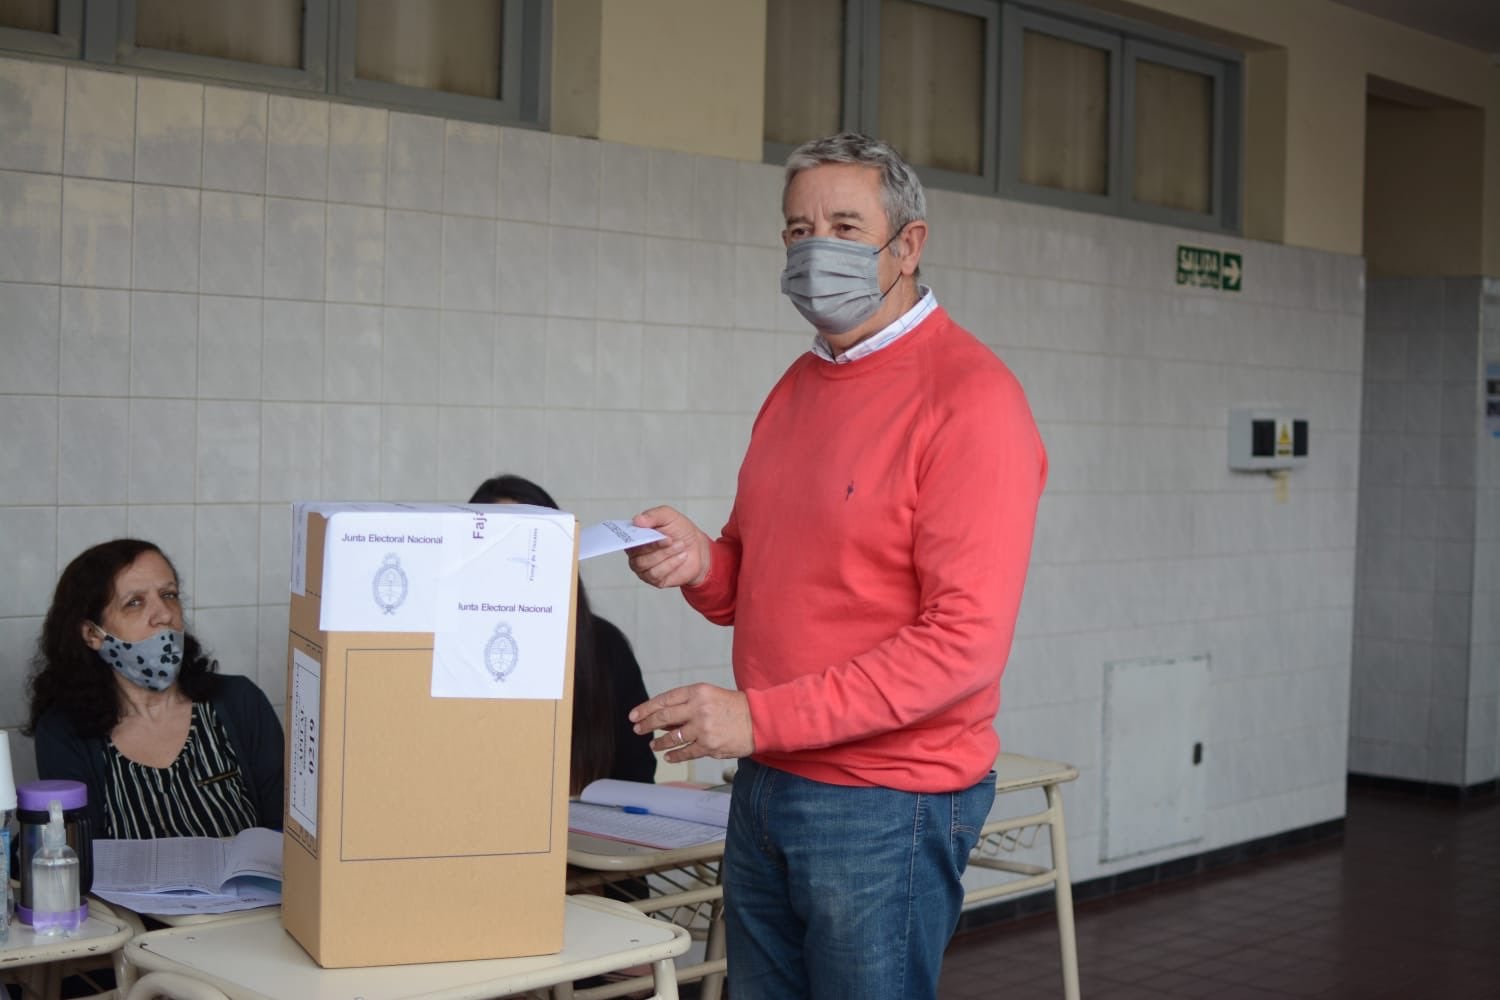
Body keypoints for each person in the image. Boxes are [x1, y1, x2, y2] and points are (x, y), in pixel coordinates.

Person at [624, 133, 1047, 1000]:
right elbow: (756, 580)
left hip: (886, 804)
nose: (815, 248)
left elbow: (962, 646)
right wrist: (701, 559)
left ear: (909, 244)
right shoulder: (796, 387)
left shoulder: (972, 400)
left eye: (845, 225)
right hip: (771, 785)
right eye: (796, 230)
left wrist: (758, 718)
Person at [26, 539, 284, 839]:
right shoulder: (64, 731)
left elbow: (286, 836)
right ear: (92, 634)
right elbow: (76, 857)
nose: (164, 614)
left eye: (169, 595)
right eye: (134, 602)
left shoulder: (240, 702)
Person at [469, 474, 656, 792]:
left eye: (531, 545)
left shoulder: (604, 647)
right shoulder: (448, 649)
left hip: (587, 835)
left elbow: (635, 777)